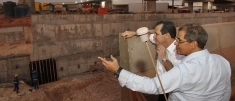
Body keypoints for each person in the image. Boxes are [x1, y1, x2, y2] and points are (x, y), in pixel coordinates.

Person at [98, 23, 231, 101]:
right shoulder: (222, 61)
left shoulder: (184, 70)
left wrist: (118, 71)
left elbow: (151, 85)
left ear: (194, 44)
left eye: (180, 40)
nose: (176, 43)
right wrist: (135, 33)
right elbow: (226, 91)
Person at [122, 20, 184, 100]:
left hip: (173, 91)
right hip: (161, 86)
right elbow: (148, 35)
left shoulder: (180, 50)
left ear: (167, 35)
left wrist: (164, 59)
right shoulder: (159, 40)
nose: (154, 36)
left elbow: (175, 76)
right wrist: (133, 33)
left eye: (157, 34)